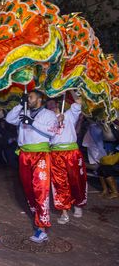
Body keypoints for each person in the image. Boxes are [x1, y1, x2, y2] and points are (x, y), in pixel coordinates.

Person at [6, 90, 57, 243]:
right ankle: (38, 216)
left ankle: (42, 229)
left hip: (40, 154)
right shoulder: (24, 111)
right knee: (28, 190)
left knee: (41, 190)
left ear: (40, 99)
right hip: (24, 155)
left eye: (31, 97)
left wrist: (32, 122)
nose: (28, 99)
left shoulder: (48, 114)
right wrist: (20, 105)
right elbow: (9, 119)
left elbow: (52, 132)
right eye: (27, 97)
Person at [50, 91, 87, 224]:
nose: (51, 107)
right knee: (59, 183)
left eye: (53, 104)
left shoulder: (69, 115)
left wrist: (69, 88)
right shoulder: (44, 120)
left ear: (59, 104)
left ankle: (78, 204)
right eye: (48, 104)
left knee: (76, 180)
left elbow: (79, 102)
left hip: (72, 153)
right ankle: (64, 211)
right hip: (55, 154)